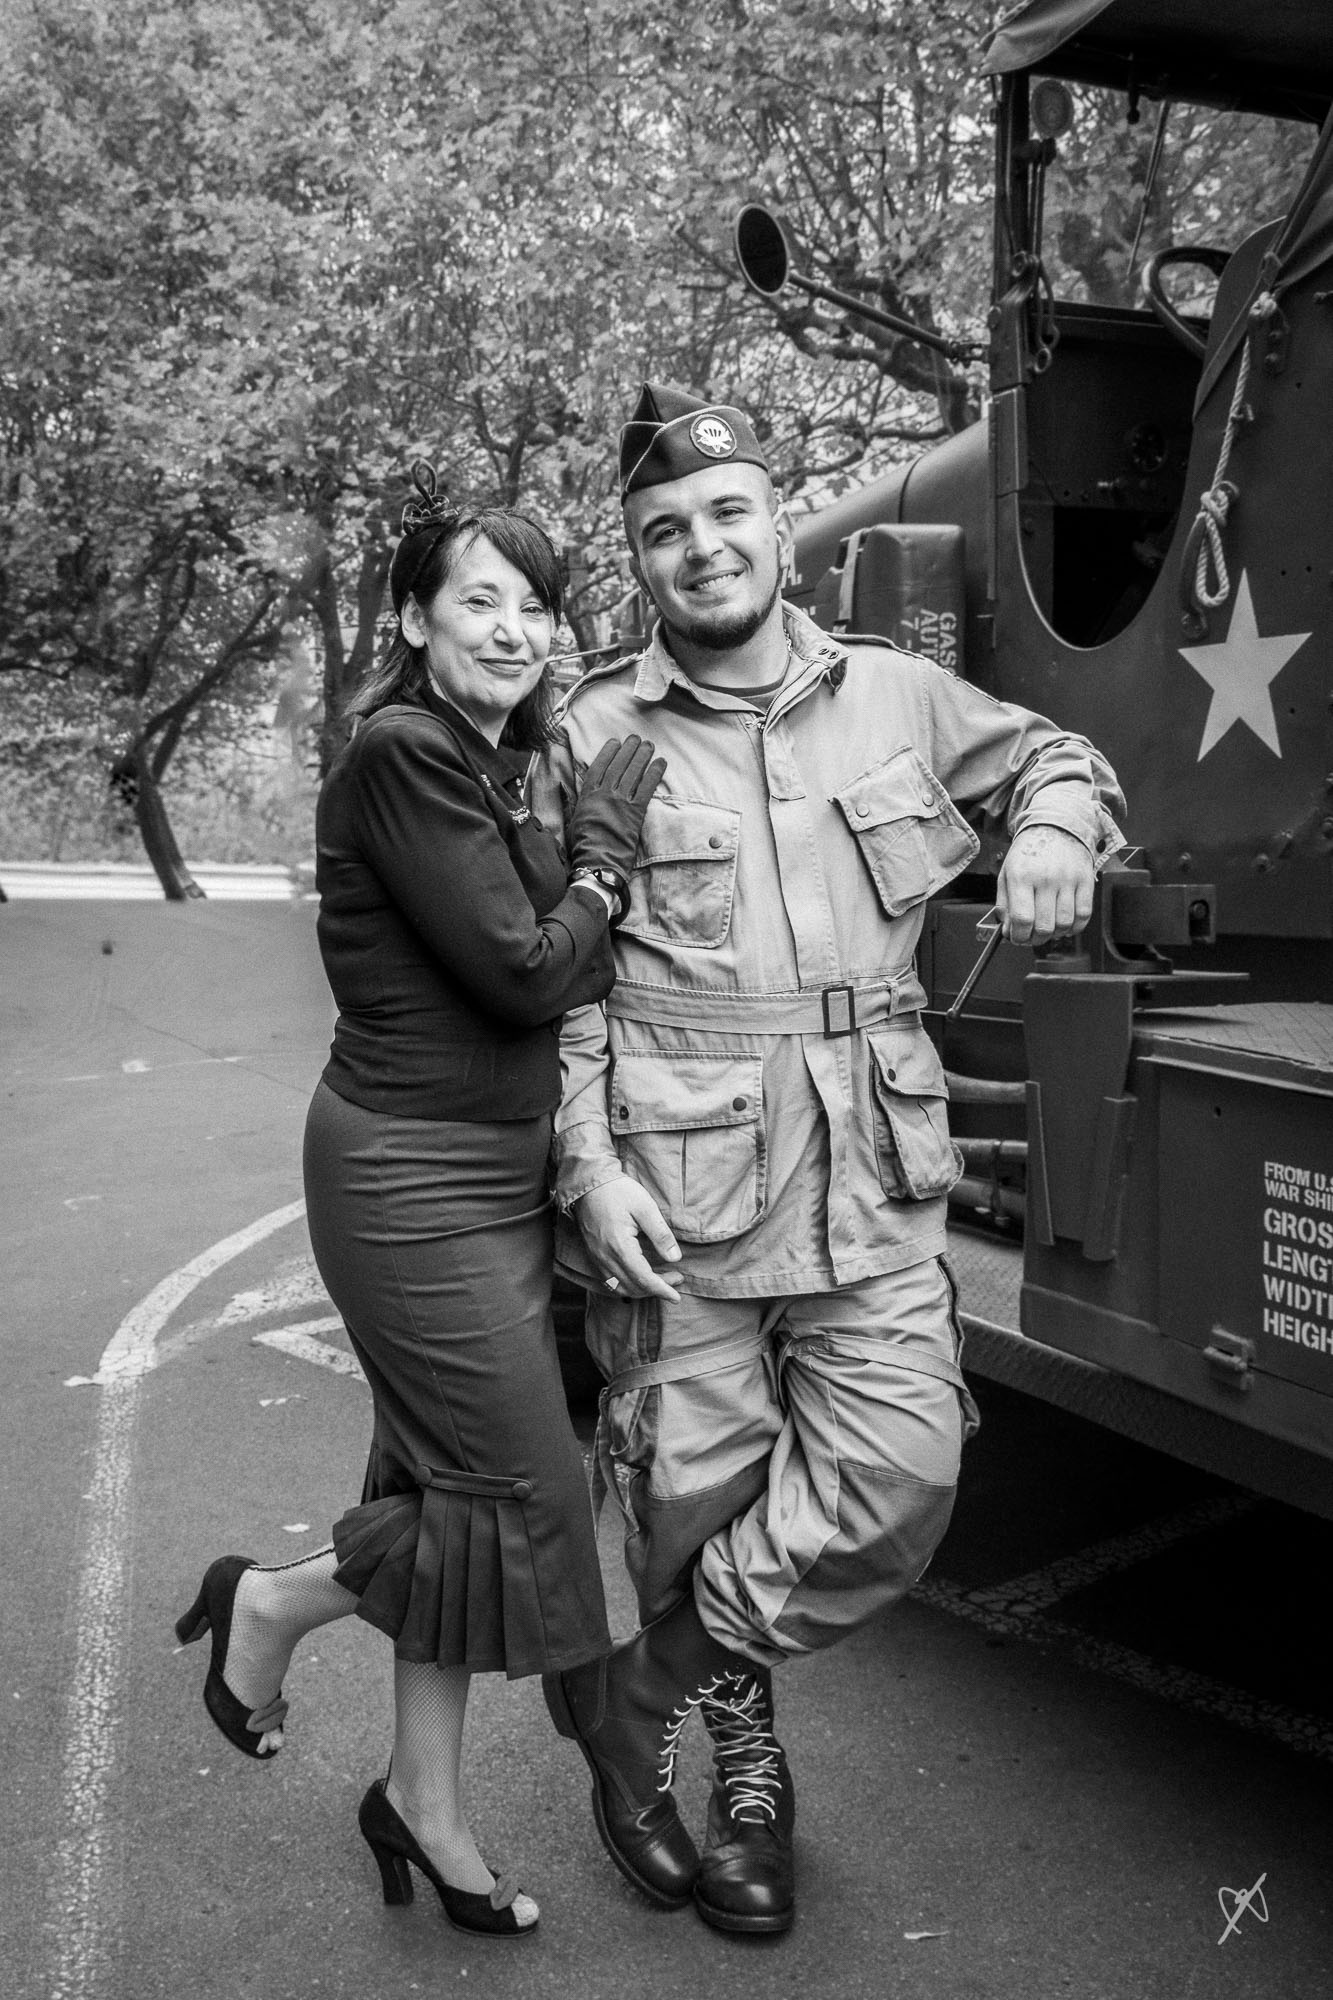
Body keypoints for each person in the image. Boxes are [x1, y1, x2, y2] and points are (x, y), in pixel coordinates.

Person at [529, 384, 1126, 1936]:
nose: (702, 547)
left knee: (895, 1476)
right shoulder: (589, 731)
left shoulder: (898, 696)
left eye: (726, 514)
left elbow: (1057, 757)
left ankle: (639, 1691)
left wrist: (1053, 829)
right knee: (689, 1498)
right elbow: (559, 987)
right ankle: (742, 1762)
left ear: (776, 525)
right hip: (677, 1186)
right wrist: (587, 1171)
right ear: (638, 560)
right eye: (664, 530)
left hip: (870, 1165)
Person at [176, 462, 664, 1940]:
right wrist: (606, 861)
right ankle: (272, 1602)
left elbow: (537, 955)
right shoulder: (404, 752)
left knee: (444, 1495)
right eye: (481, 601)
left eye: (536, 606)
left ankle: (423, 1806)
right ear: (414, 618)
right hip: (408, 1178)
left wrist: (574, 846)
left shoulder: (494, 759)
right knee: (530, 1502)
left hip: (494, 1175)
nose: (515, 629)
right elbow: (526, 968)